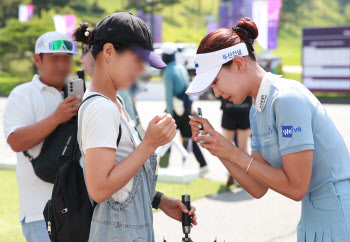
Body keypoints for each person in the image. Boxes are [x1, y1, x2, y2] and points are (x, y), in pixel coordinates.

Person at [187, 17, 350, 241]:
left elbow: (296, 188)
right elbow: (257, 187)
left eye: (215, 81)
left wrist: (232, 151)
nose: (215, 93)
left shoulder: (286, 98)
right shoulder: (258, 108)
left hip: (339, 216)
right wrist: (219, 149)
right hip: (315, 217)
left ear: (238, 64)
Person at [73, 13, 197, 241]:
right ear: (109, 52)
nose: (142, 69)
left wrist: (159, 200)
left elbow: (120, 183)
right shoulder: (101, 108)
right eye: (137, 60)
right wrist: (149, 144)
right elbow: (100, 189)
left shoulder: (115, 102)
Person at [3, 32, 80, 242]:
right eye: (55, 58)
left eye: (67, 58)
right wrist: (57, 117)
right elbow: (15, 141)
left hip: (78, 209)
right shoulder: (23, 94)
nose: (62, 65)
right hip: (39, 212)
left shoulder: (77, 93)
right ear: (38, 60)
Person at [161, 42, 208, 174]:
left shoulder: (168, 72)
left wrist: (169, 116)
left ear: (165, 56)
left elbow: (169, 97)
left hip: (175, 111)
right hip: (186, 108)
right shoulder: (181, 68)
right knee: (189, 138)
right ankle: (203, 164)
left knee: (167, 137)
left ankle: (163, 167)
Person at [220, 96, 252, 187]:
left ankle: (233, 172)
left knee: (226, 147)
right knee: (243, 148)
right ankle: (245, 175)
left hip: (229, 110)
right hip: (244, 110)